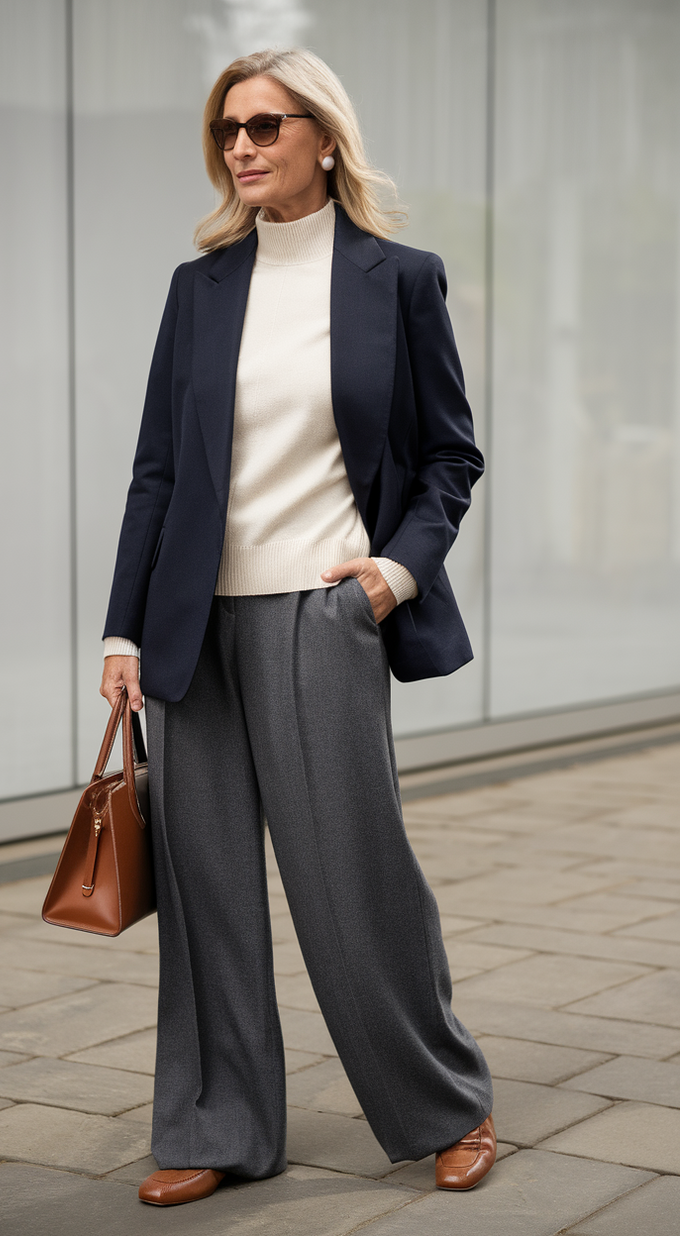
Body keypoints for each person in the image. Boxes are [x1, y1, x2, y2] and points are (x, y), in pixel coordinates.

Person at [100, 46, 495, 1207]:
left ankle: (443, 1102)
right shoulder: (200, 287)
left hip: (321, 616)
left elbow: (446, 458)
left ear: (323, 136)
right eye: (229, 129)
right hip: (189, 629)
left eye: (267, 125)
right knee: (206, 888)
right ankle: (218, 1124)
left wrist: (389, 577)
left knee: (353, 879)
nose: (243, 147)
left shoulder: (396, 278)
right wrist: (121, 633)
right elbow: (156, 473)